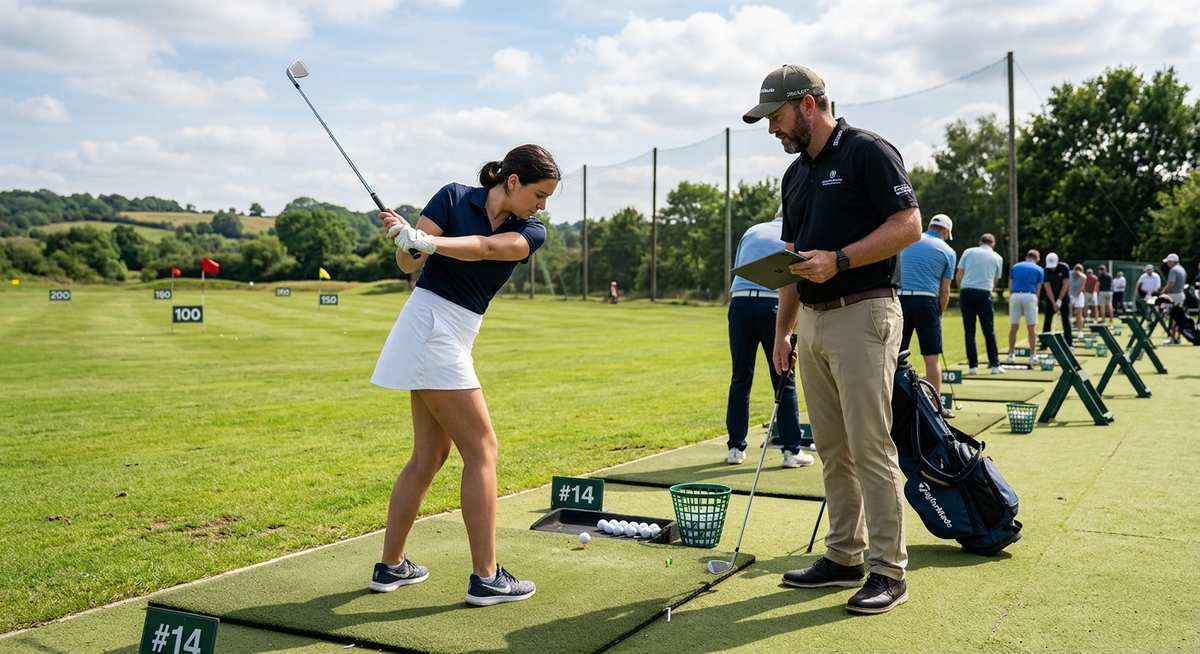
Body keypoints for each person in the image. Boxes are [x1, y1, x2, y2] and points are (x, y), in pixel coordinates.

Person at [743, 63, 922, 614]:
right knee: (832, 448)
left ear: (809, 104)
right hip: (814, 321)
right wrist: (782, 332)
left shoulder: (868, 150)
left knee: (871, 446)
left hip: (865, 313)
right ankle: (845, 556)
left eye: (775, 116)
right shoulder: (794, 176)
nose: (772, 128)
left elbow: (909, 225)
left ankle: (889, 570)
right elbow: (796, 262)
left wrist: (841, 259)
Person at [369, 144, 558, 607]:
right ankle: (486, 576)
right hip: (431, 326)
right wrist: (407, 242)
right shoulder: (453, 197)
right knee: (482, 449)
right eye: (539, 193)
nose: (543, 205)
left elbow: (490, 249)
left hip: (448, 332)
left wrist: (429, 242)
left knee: (429, 455)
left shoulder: (529, 230)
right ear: (512, 182)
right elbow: (409, 264)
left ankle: (390, 566)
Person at [725, 208, 815, 469]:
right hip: (773, 305)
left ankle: (735, 449)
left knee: (740, 378)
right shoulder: (797, 235)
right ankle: (790, 451)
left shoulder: (752, 230)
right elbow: (797, 282)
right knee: (784, 377)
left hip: (740, 304)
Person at [895, 214, 956, 399]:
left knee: (894, 356)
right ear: (945, 231)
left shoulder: (907, 241)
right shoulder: (948, 251)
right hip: (927, 302)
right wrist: (939, 312)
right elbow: (944, 291)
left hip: (899, 300)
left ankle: (891, 401)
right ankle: (936, 406)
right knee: (931, 357)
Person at [956, 232, 1005, 375]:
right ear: (993, 243)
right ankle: (995, 365)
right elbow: (996, 280)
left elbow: (959, 274)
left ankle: (973, 367)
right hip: (984, 294)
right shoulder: (997, 257)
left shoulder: (968, 251)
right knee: (989, 331)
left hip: (967, 293)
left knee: (969, 332)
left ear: (980, 242)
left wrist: (961, 291)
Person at [1007, 249, 1043, 365]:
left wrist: (1011, 296)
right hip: (1030, 296)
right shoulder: (1039, 269)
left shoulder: (1016, 266)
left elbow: (1011, 284)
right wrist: (1036, 301)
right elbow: (1038, 289)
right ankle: (1033, 355)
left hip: (1015, 295)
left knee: (1013, 327)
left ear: (1027, 256)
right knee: (1032, 328)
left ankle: (1011, 355)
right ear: (1037, 258)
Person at [1041, 252, 1073, 345]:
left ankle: (1069, 342)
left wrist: (1059, 300)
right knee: (1047, 320)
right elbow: (1047, 287)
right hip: (1051, 298)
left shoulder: (1064, 268)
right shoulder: (1046, 270)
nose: (1052, 267)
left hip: (1063, 297)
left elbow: (1065, 284)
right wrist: (1053, 302)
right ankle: (1044, 343)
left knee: (1065, 320)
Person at [1161, 253, 1187, 344]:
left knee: (1173, 317)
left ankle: (1172, 339)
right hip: (1180, 295)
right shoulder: (1182, 269)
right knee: (1178, 317)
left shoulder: (1173, 270)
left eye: (1168, 261)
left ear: (1172, 261)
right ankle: (1178, 338)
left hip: (1174, 296)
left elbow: (1171, 284)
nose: (1167, 263)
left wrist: (1163, 292)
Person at [1069, 264, 1086, 330]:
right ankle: (1069, 330)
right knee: (1069, 314)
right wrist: (1070, 296)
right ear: (1074, 270)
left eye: (1079, 274)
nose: (1077, 276)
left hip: (1079, 295)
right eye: (1076, 274)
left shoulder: (1083, 277)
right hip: (1069, 294)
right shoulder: (1069, 274)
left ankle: (1080, 331)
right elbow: (1066, 285)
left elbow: (1081, 288)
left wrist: (1075, 296)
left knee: (1079, 313)